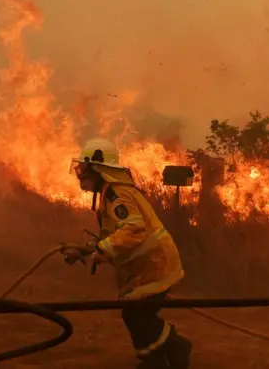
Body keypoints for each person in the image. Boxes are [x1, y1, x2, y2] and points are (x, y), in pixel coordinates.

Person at [63, 137, 192, 369]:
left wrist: (102, 249)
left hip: (154, 266)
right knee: (136, 315)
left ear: (99, 168)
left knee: (136, 315)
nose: (80, 176)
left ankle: (171, 349)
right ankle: (157, 357)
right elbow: (114, 238)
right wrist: (84, 252)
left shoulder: (116, 194)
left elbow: (134, 229)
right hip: (147, 267)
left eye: (84, 170)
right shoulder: (109, 193)